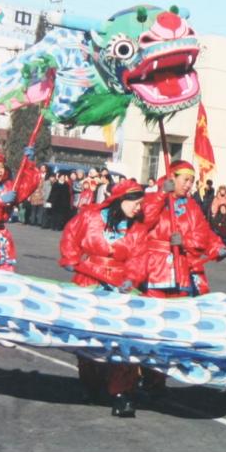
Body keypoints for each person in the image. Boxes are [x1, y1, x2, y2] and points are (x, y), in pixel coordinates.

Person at [59, 179, 150, 418]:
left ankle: (122, 393)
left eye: (141, 203)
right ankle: (90, 384)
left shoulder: (138, 229)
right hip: (87, 281)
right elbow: (70, 235)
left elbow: (139, 260)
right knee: (88, 337)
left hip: (119, 287)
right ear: (121, 200)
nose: (139, 208)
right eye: (135, 203)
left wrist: (132, 279)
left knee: (121, 340)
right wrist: (70, 257)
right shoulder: (90, 217)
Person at [137, 160, 226, 395]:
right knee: (150, 327)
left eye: (191, 181)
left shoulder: (192, 206)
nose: (189, 185)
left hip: (181, 272)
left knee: (172, 329)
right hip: (154, 271)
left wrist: (217, 246)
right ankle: (139, 374)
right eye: (184, 180)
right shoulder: (153, 198)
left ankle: (157, 381)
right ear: (172, 177)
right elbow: (144, 221)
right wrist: (161, 195)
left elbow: (203, 233)